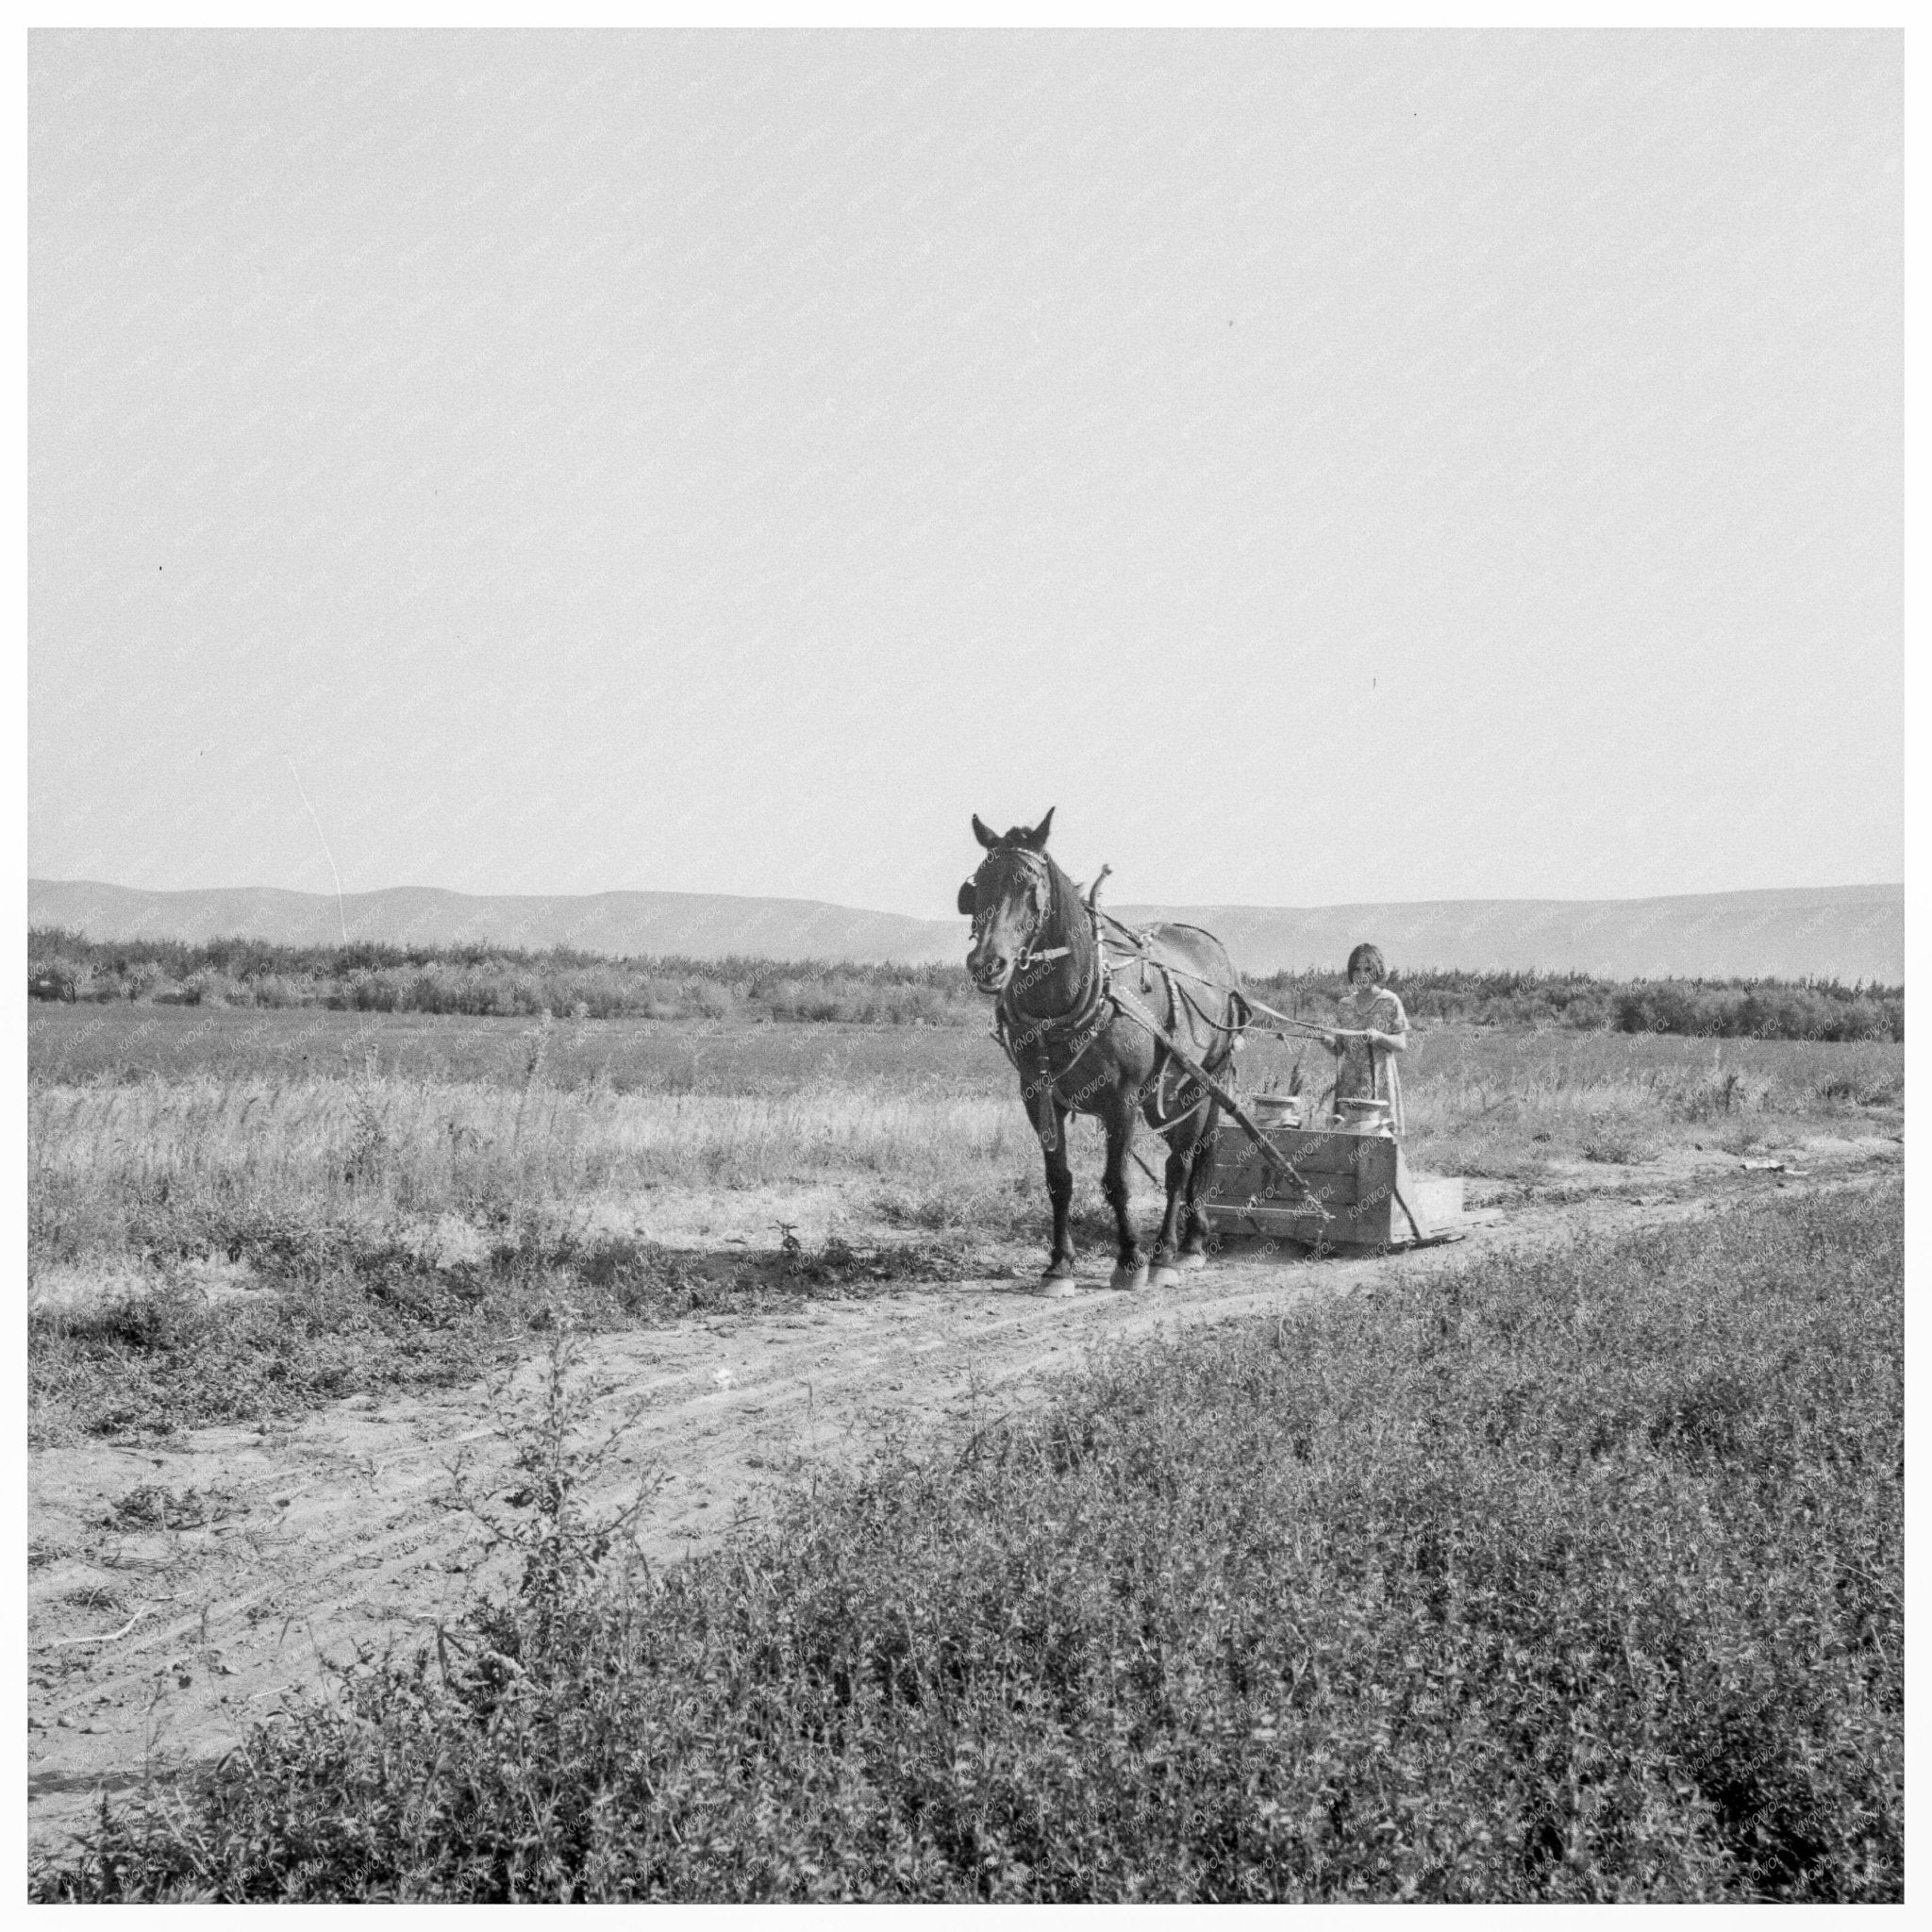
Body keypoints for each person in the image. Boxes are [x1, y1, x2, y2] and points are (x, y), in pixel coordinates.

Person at [1330, 942, 1408, 1135]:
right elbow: (1339, 1049)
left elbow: (1401, 1043)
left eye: (1368, 969)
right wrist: (1325, 1040)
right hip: (1350, 1083)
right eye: (1356, 969)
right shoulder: (1344, 1005)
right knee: (1348, 1136)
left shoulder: (1390, 1001)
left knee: (1379, 1137)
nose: (1361, 974)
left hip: (1379, 1082)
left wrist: (1380, 1037)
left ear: (1377, 971)